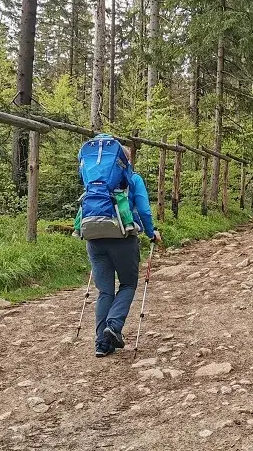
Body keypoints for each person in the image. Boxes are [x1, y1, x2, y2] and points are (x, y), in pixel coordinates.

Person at [88, 146, 161, 357]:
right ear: (126, 160)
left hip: (94, 236)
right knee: (128, 284)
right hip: (123, 238)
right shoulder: (133, 179)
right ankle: (114, 326)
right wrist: (151, 233)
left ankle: (102, 344)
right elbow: (144, 210)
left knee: (105, 291)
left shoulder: (94, 179)